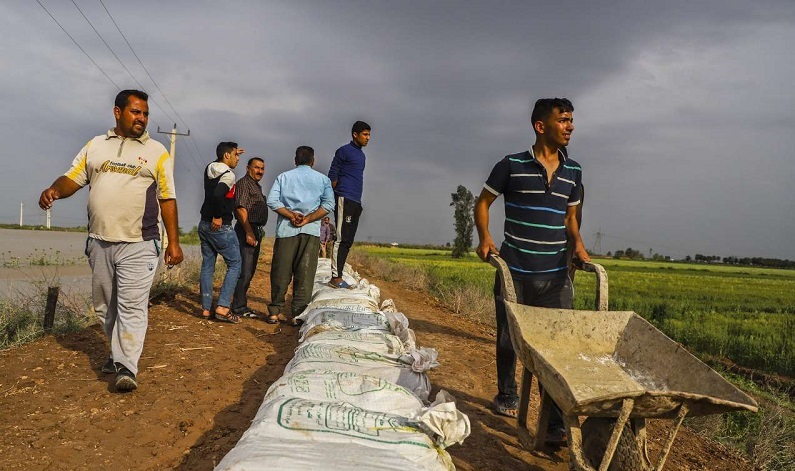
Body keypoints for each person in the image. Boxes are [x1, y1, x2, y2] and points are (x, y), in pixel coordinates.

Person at [38, 89, 184, 392]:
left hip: (140, 242)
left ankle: (126, 367)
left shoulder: (157, 151)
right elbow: (72, 178)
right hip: (100, 242)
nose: (142, 118)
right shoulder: (96, 146)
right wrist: (54, 189)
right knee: (105, 307)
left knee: (131, 306)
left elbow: (167, 197)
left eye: (145, 113)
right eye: (135, 112)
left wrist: (174, 242)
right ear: (118, 112)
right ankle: (117, 353)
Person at [474, 98, 590, 445]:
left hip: (555, 274)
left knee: (556, 349)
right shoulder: (511, 165)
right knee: (510, 338)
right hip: (515, 269)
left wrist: (579, 248)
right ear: (541, 126)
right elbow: (482, 202)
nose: (570, 126)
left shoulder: (574, 171)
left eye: (572, 120)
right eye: (563, 120)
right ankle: (507, 395)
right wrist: (485, 238)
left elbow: (571, 218)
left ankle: (554, 422)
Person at [266, 146, 334, 325]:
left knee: (281, 271)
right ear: (313, 161)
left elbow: (272, 201)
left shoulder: (283, 177)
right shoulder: (323, 180)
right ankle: (298, 315)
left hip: (286, 231)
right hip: (311, 232)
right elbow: (328, 205)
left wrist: (291, 215)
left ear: (295, 160)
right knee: (305, 273)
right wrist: (308, 218)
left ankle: (274, 311)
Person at [199, 142, 244, 323]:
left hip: (203, 224)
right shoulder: (229, 175)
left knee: (208, 266)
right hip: (221, 226)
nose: (238, 158)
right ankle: (223, 307)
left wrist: (229, 152)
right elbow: (219, 194)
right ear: (227, 156)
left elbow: (218, 164)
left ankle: (205, 308)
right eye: (235, 155)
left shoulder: (210, 168)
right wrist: (218, 216)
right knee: (235, 264)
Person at [327, 120, 370, 289]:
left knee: (348, 241)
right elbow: (333, 176)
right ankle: (335, 278)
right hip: (344, 197)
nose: (368, 138)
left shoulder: (362, 155)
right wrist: (333, 198)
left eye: (369, 135)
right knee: (341, 237)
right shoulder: (343, 151)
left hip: (355, 200)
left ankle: (339, 275)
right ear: (355, 134)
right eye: (365, 134)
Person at [231, 157, 268, 318]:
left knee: (250, 270)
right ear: (248, 168)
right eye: (256, 168)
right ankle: (238, 307)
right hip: (247, 229)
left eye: (262, 168)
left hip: (255, 229)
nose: (260, 171)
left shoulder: (256, 186)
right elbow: (240, 209)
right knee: (244, 270)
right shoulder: (244, 184)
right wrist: (248, 232)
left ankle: (240, 304)